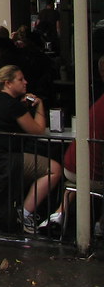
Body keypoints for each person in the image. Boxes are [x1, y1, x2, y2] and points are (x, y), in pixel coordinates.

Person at [0, 64, 62, 234]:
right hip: (3, 160)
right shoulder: (13, 106)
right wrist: (39, 105)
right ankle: (25, 213)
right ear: (8, 83)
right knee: (54, 169)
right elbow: (38, 130)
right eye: (20, 79)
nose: (25, 82)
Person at [39, 55, 104, 231]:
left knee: (76, 181)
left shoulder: (98, 103)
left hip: (72, 164)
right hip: (89, 172)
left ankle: (57, 215)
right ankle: (99, 225)